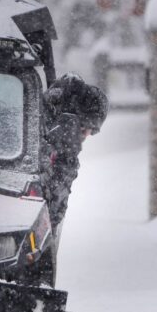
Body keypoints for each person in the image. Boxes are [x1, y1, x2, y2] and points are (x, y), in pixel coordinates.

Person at [41, 73, 109, 228]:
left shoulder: (34, 119)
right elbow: (51, 214)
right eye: (87, 128)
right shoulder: (57, 149)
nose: (87, 135)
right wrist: (67, 159)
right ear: (72, 121)